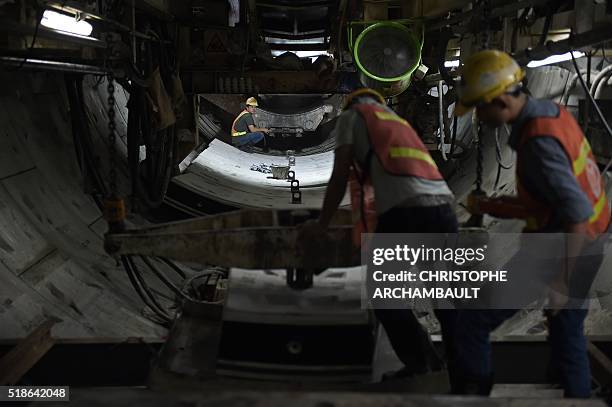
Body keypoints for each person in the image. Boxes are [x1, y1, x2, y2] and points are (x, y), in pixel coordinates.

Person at [453, 49, 611, 397]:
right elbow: (545, 204)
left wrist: (563, 280)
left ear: (500, 100)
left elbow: (575, 212)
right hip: (575, 242)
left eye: (480, 106)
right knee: (565, 330)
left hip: (567, 248)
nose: (478, 115)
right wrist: (494, 206)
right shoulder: (550, 113)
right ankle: (572, 392)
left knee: (475, 322)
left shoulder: (538, 141)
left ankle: (474, 395)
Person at [299, 87, 459, 381]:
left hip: (405, 211)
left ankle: (421, 363)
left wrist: (322, 224)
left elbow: (340, 173)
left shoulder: (352, 115)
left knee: (383, 295)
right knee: (440, 291)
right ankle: (460, 360)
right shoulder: (395, 120)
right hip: (444, 208)